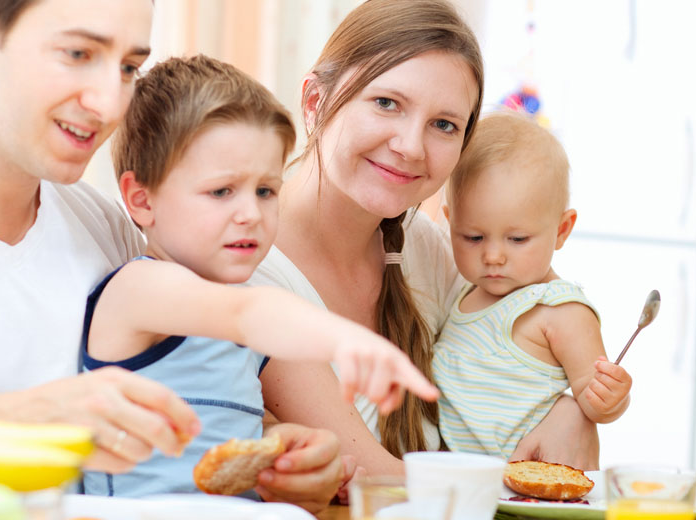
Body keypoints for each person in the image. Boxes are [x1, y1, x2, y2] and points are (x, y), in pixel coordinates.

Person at [0, 0, 347, 510]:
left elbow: (192, 397)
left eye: (128, 67)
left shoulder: (103, 226)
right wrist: (14, 421)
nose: (109, 103)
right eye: (78, 54)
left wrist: (280, 450)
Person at [245, 0, 601, 482]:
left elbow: (526, 337)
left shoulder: (428, 249)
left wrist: (570, 407)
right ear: (315, 101)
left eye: (444, 125)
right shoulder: (247, 262)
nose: (411, 146)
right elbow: (371, 476)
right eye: (386, 103)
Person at [80, 54, 438, 498]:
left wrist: (297, 460)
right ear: (142, 200)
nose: (250, 213)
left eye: (266, 190)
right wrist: (346, 340)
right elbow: (246, 312)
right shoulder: (139, 290)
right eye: (221, 191)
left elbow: (245, 432)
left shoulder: (243, 318)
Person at [432, 111, 633, 460]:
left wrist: (611, 397)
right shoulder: (463, 293)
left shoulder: (560, 310)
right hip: (468, 485)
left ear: (562, 230)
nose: (493, 256)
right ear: (449, 223)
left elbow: (592, 400)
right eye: (474, 237)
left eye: (518, 239)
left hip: (536, 485)